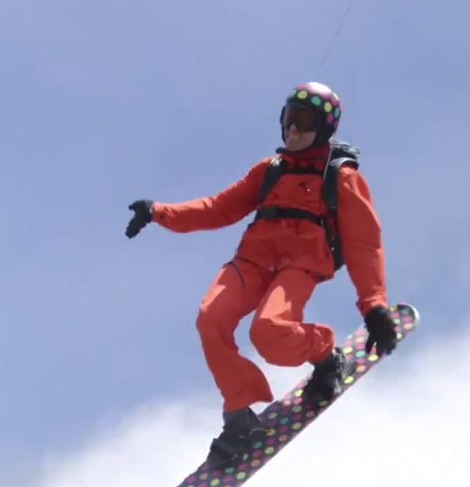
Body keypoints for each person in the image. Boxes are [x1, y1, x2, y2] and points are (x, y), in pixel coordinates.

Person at [124, 81, 399, 466]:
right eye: (289, 119)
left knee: (269, 332)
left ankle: (325, 355)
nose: (293, 130)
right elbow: (218, 208)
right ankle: (239, 415)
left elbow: (363, 244)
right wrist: (158, 212)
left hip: (299, 265)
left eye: (304, 121)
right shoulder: (269, 170)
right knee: (210, 319)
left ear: (324, 128)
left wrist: (374, 307)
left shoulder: (341, 177)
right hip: (251, 261)